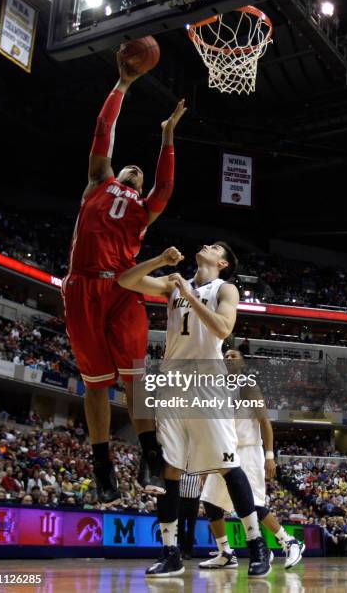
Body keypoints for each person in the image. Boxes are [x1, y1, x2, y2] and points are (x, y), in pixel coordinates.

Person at [62, 52, 186, 502]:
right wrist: (123, 86)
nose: (134, 168)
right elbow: (102, 129)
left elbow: (167, 188)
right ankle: (101, 466)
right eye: (129, 165)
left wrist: (167, 138)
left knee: (136, 379)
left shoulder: (144, 210)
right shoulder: (98, 180)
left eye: (141, 169)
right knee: (96, 386)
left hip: (121, 286)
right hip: (81, 286)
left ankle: (150, 455)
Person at [118, 244, 271, 578]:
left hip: (206, 381)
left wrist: (188, 293)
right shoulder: (174, 282)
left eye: (214, 247)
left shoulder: (225, 288)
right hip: (172, 381)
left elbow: (223, 329)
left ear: (222, 262)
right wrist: (160, 261)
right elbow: (126, 281)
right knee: (168, 469)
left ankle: (258, 545)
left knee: (227, 465)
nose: (205, 245)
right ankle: (171, 553)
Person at [199, 349, 305, 570]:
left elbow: (265, 422)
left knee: (252, 505)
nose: (228, 359)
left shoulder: (247, 385)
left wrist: (269, 455)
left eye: (233, 356)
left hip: (248, 451)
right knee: (210, 503)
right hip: (224, 452)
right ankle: (226, 553)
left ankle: (289, 542)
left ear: (242, 364)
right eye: (225, 356)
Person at [178, 473, 201, 559]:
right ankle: (181, 550)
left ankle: (189, 552)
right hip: (181, 500)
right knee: (180, 527)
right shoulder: (182, 470)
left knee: (191, 527)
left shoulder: (199, 471)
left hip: (194, 501)